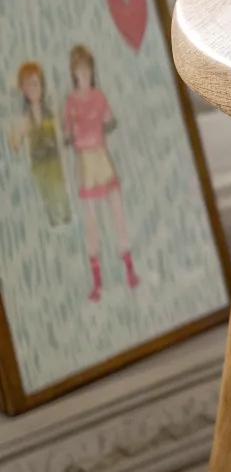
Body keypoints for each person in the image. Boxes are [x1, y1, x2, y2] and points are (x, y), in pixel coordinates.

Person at [63, 44, 139, 302]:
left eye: (86, 69)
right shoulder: (71, 102)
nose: (83, 74)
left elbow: (110, 119)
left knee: (117, 212)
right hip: (86, 162)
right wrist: (73, 136)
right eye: (79, 70)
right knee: (92, 221)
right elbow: (68, 133)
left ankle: (130, 268)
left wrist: (103, 126)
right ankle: (98, 282)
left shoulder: (99, 96)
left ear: (91, 71)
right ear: (74, 73)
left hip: (101, 157)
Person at [8, 61, 71, 227]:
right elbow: (16, 144)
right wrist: (15, 135)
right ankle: (54, 222)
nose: (32, 89)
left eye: (35, 84)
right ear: (22, 90)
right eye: (27, 86)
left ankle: (66, 217)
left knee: (59, 190)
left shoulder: (50, 110)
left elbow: (61, 131)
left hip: (54, 161)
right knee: (46, 194)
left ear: (42, 85)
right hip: (38, 164)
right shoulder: (25, 117)